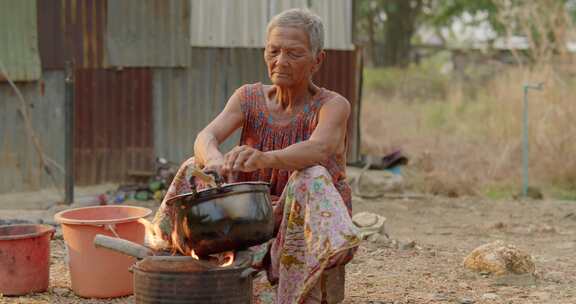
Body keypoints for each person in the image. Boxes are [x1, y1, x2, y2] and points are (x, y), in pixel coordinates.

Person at [151, 8, 360, 304]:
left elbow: (318, 150)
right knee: (191, 167)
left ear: (317, 60)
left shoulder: (332, 105)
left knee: (310, 175)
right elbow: (205, 137)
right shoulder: (248, 97)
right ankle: (162, 258)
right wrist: (214, 160)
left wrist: (263, 158)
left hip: (301, 218)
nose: (280, 62)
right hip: (248, 214)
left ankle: (296, 287)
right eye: (273, 51)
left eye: (294, 54)